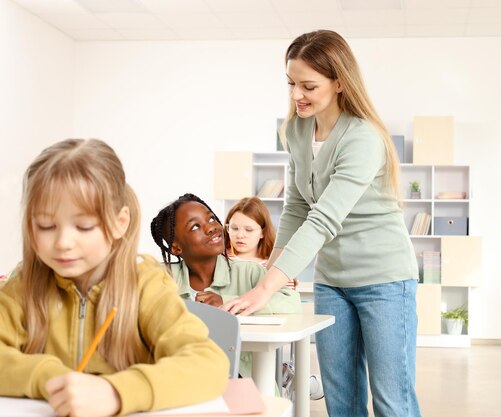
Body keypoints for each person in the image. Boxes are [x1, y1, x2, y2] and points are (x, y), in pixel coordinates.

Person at [222, 30, 420, 417]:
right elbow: (296, 206)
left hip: (385, 280)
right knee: (340, 400)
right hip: (332, 281)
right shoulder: (296, 129)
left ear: (339, 82)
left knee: (391, 400)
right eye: (291, 83)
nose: (297, 95)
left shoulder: (363, 138)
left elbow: (323, 219)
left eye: (308, 85)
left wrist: (265, 289)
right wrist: (271, 268)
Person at [0, 139, 229, 417]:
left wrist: (117, 393)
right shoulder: (23, 284)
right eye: (46, 226)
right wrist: (48, 378)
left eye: (84, 226)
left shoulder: (146, 285)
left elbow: (209, 365)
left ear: (120, 222)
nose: (63, 242)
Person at [149, 193, 301, 377]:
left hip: (241, 379)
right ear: (176, 248)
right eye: (196, 226)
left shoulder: (249, 271)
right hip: (185, 378)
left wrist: (229, 302)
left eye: (211, 218)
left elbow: (291, 301)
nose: (212, 227)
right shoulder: (162, 278)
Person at [224, 197, 322, 400]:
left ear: (262, 231)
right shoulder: (219, 260)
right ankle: (292, 377)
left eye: (248, 230)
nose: (239, 235)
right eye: (233, 228)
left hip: (259, 336)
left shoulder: (275, 269)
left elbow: (285, 304)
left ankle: (295, 378)